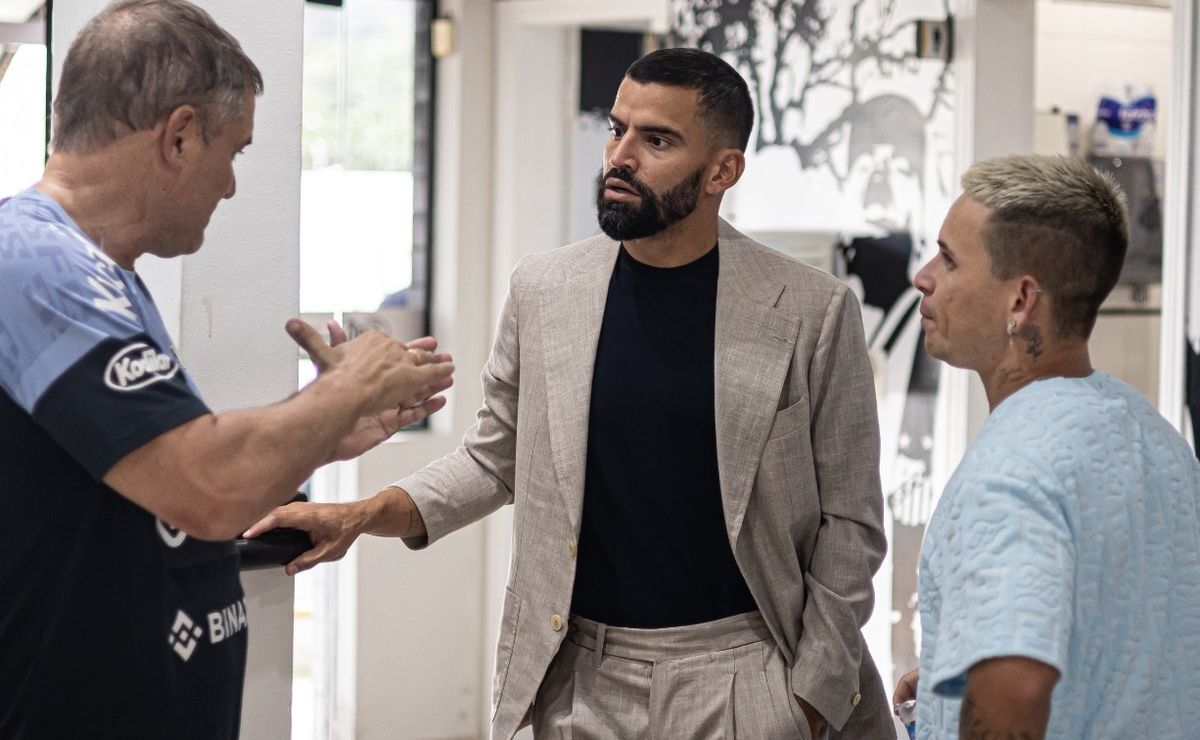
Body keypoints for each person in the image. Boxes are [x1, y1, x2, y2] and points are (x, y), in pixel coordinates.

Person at [250, 47, 893, 739]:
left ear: (722, 171)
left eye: (657, 141)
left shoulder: (810, 310)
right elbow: (493, 461)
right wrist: (361, 515)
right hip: (579, 677)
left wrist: (807, 700)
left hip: (744, 672)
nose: (620, 157)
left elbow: (850, 523)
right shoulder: (545, 290)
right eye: (617, 129)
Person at [0, 2, 454, 738]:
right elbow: (205, 487)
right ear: (179, 136)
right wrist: (344, 390)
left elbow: (160, 473)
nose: (231, 187)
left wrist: (324, 426)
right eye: (234, 153)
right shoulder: (35, 267)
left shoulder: (104, 277)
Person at [891, 154, 1200, 738]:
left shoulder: (1012, 468)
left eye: (949, 259)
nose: (924, 277)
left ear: (1020, 301)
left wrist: (994, 691)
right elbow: (1129, 641)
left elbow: (1019, 689)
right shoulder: (1157, 439)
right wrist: (961, 667)